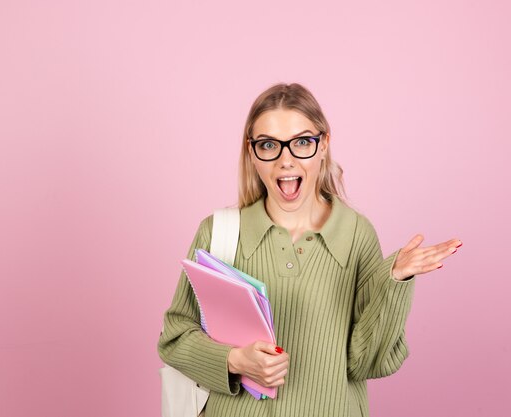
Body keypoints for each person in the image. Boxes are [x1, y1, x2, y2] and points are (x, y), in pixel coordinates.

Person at [158, 82, 462, 417]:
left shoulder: (356, 235)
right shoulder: (219, 232)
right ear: (252, 152)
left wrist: (395, 280)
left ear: (323, 145)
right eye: (269, 145)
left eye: (302, 142)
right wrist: (234, 360)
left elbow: (368, 362)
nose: (285, 161)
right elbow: (174, 338)